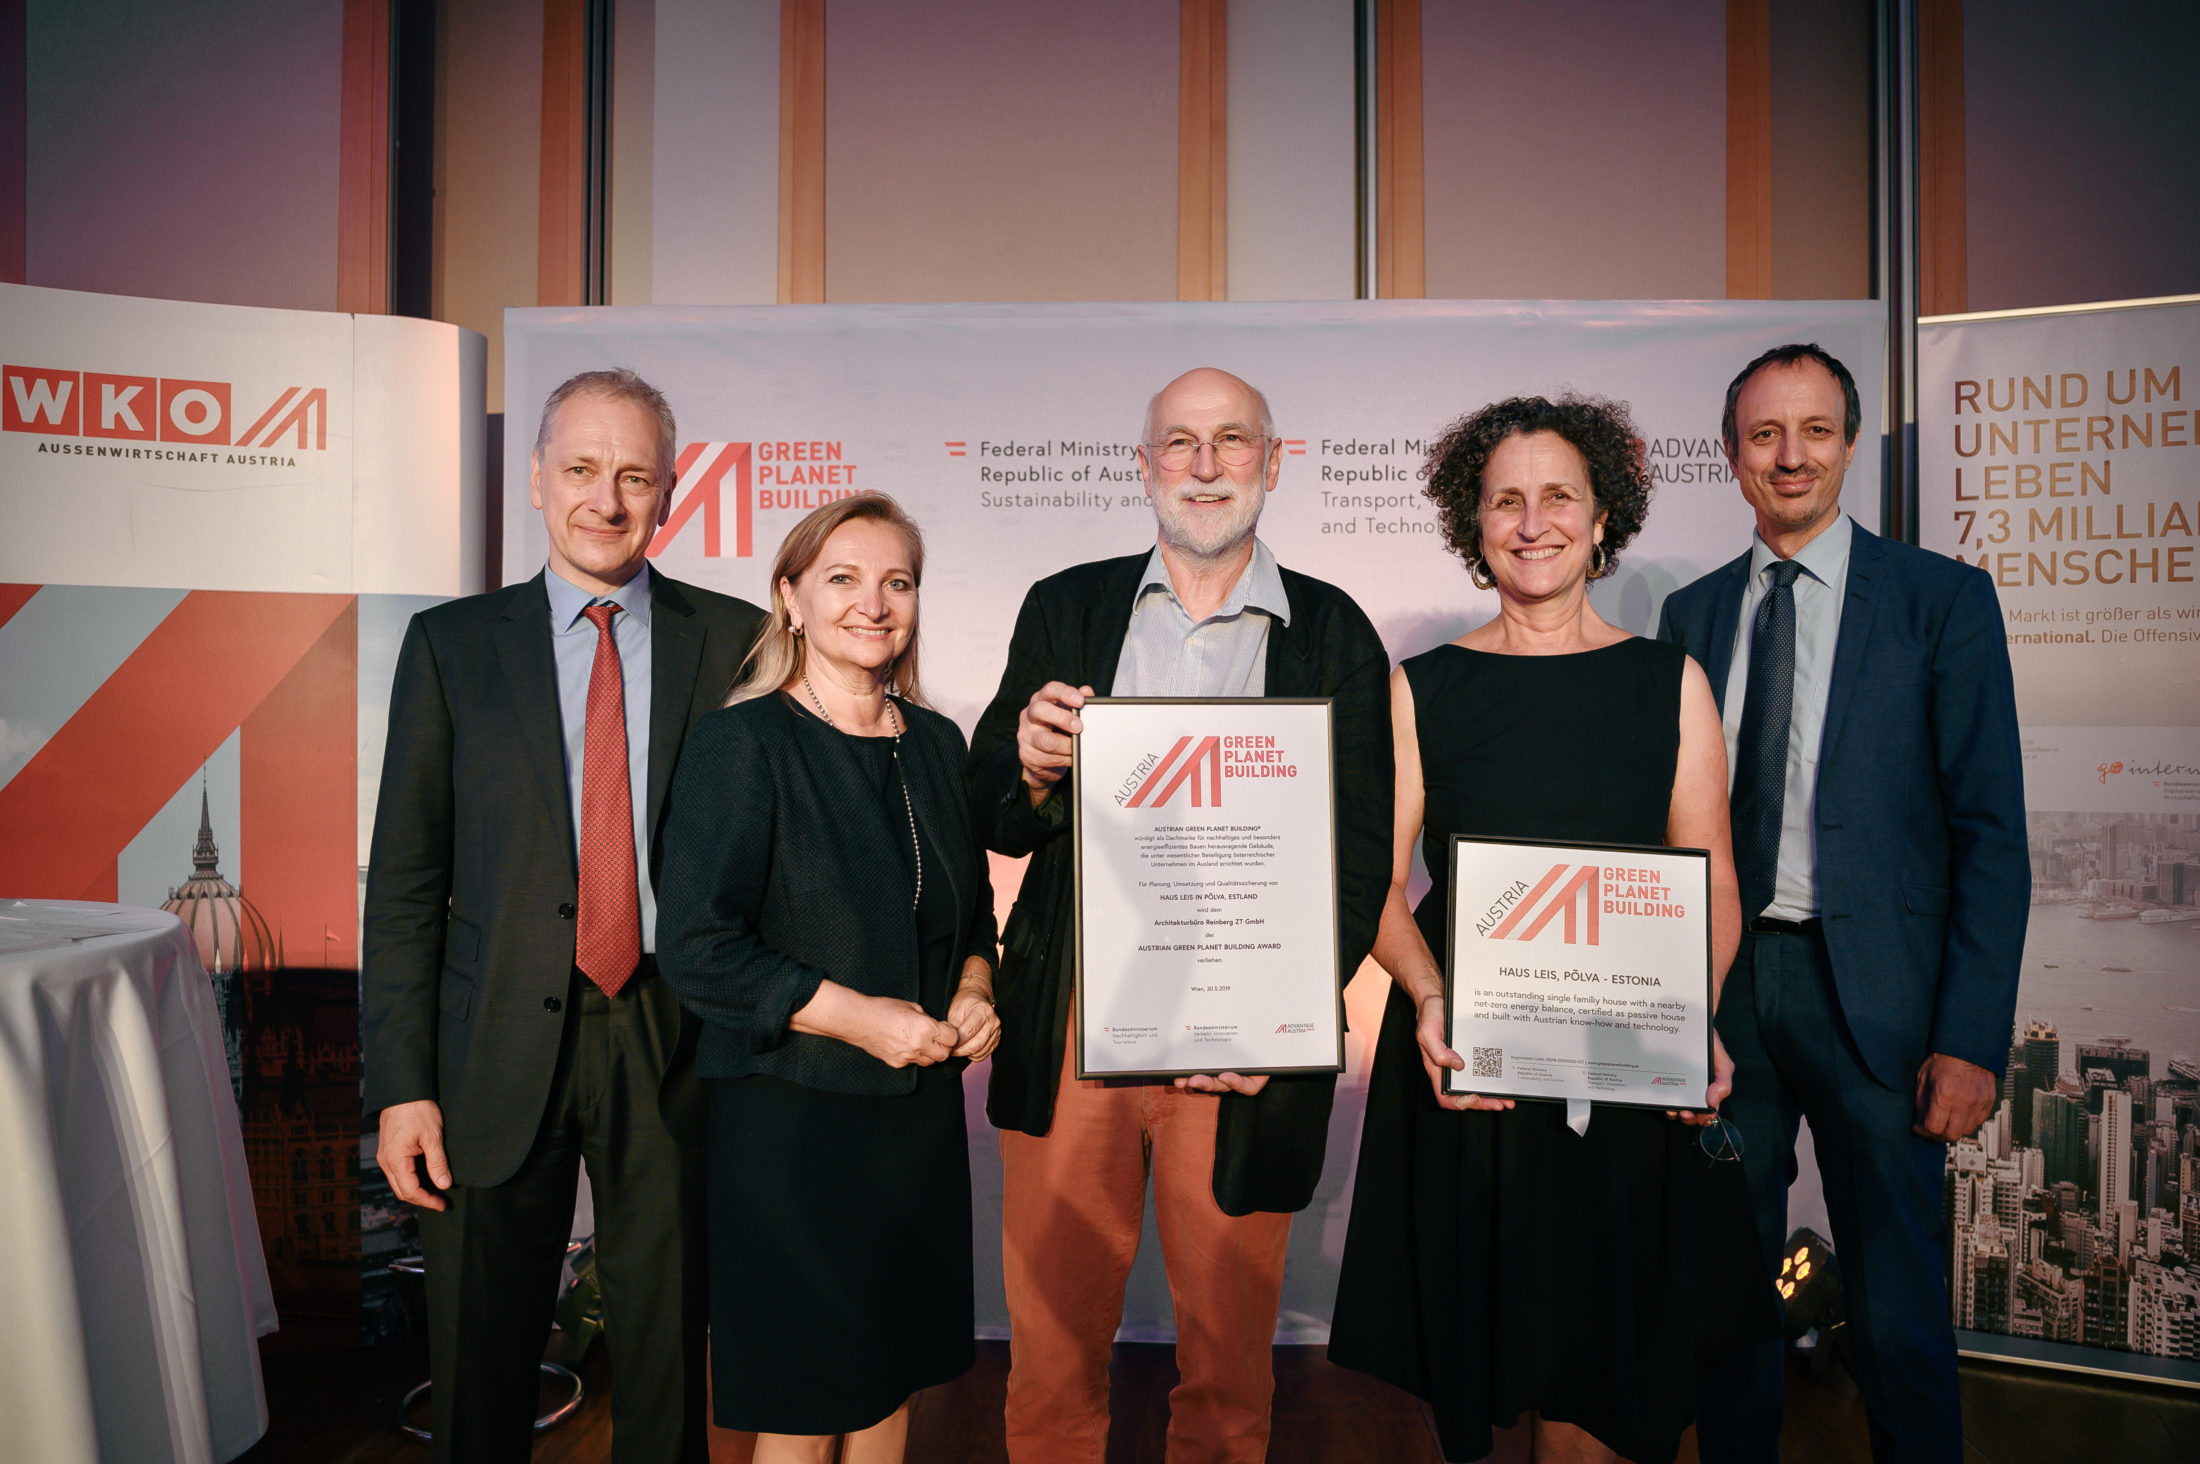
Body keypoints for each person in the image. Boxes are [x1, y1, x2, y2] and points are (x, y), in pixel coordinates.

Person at [966, 366, 1392, 1464]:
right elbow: (996, 816)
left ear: (1276, 462)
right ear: (1142, 465)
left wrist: (1284, 1018)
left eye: (1232, 441)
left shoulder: (1333, 632)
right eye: (1180, 443)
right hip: (1074, 1024)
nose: (1205, 466)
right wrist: (1030, 762)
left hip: (1241, 1043)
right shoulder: (1066, 605)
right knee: (1052, 1356)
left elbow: (1357, 859)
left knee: (1227, 1371)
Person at [1329, 393, 1763, 1464]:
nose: (1533, 522)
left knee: (1605, 1380)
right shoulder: (1422, 686)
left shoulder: (1669, 682)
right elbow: (1376, 890)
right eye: (1504, 502)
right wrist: (1431, 1001)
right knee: (1490, 1361)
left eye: (1558, 497)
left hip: (1625, 1071)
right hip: (1474, 1069)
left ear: (1602, 518)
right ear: (1471, 528)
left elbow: (1709, 883)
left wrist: (1688, 1023)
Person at [362, 369, 766, 1464]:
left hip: (673, 1040)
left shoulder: (739, 643)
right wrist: (400, 1086)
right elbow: (402, 880)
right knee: (479, 1365)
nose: (607, 497)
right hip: (487, 1043)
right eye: (582, 469)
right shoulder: (449, 648)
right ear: (536, 480)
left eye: (636, 475)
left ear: (672, 492)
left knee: (666, 1357)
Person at [1659, 343, 2027, 1463]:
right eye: (1764, 434)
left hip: (1874, 1004)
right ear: (1730, 456)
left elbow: (1990, 834)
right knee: (1725, 1300)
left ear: (1850, 445)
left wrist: (1969, 1039)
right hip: (1723, 993)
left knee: (1898, 1312)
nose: (1790, 455)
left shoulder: (1939, 601)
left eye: (1814, 430)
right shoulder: (1691, 613)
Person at [655, 493, 1000, 1464]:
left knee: (888, 1386)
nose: (874, 603)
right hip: (790, 1125)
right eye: (842, 578)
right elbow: (698, 947)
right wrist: (860, 1020)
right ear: (790, 599)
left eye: (897, 581)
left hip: (913, 1124)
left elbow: (970, 917)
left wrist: (974, 990)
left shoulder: (935, 743)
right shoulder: (742, 745)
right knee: (806, 1410)